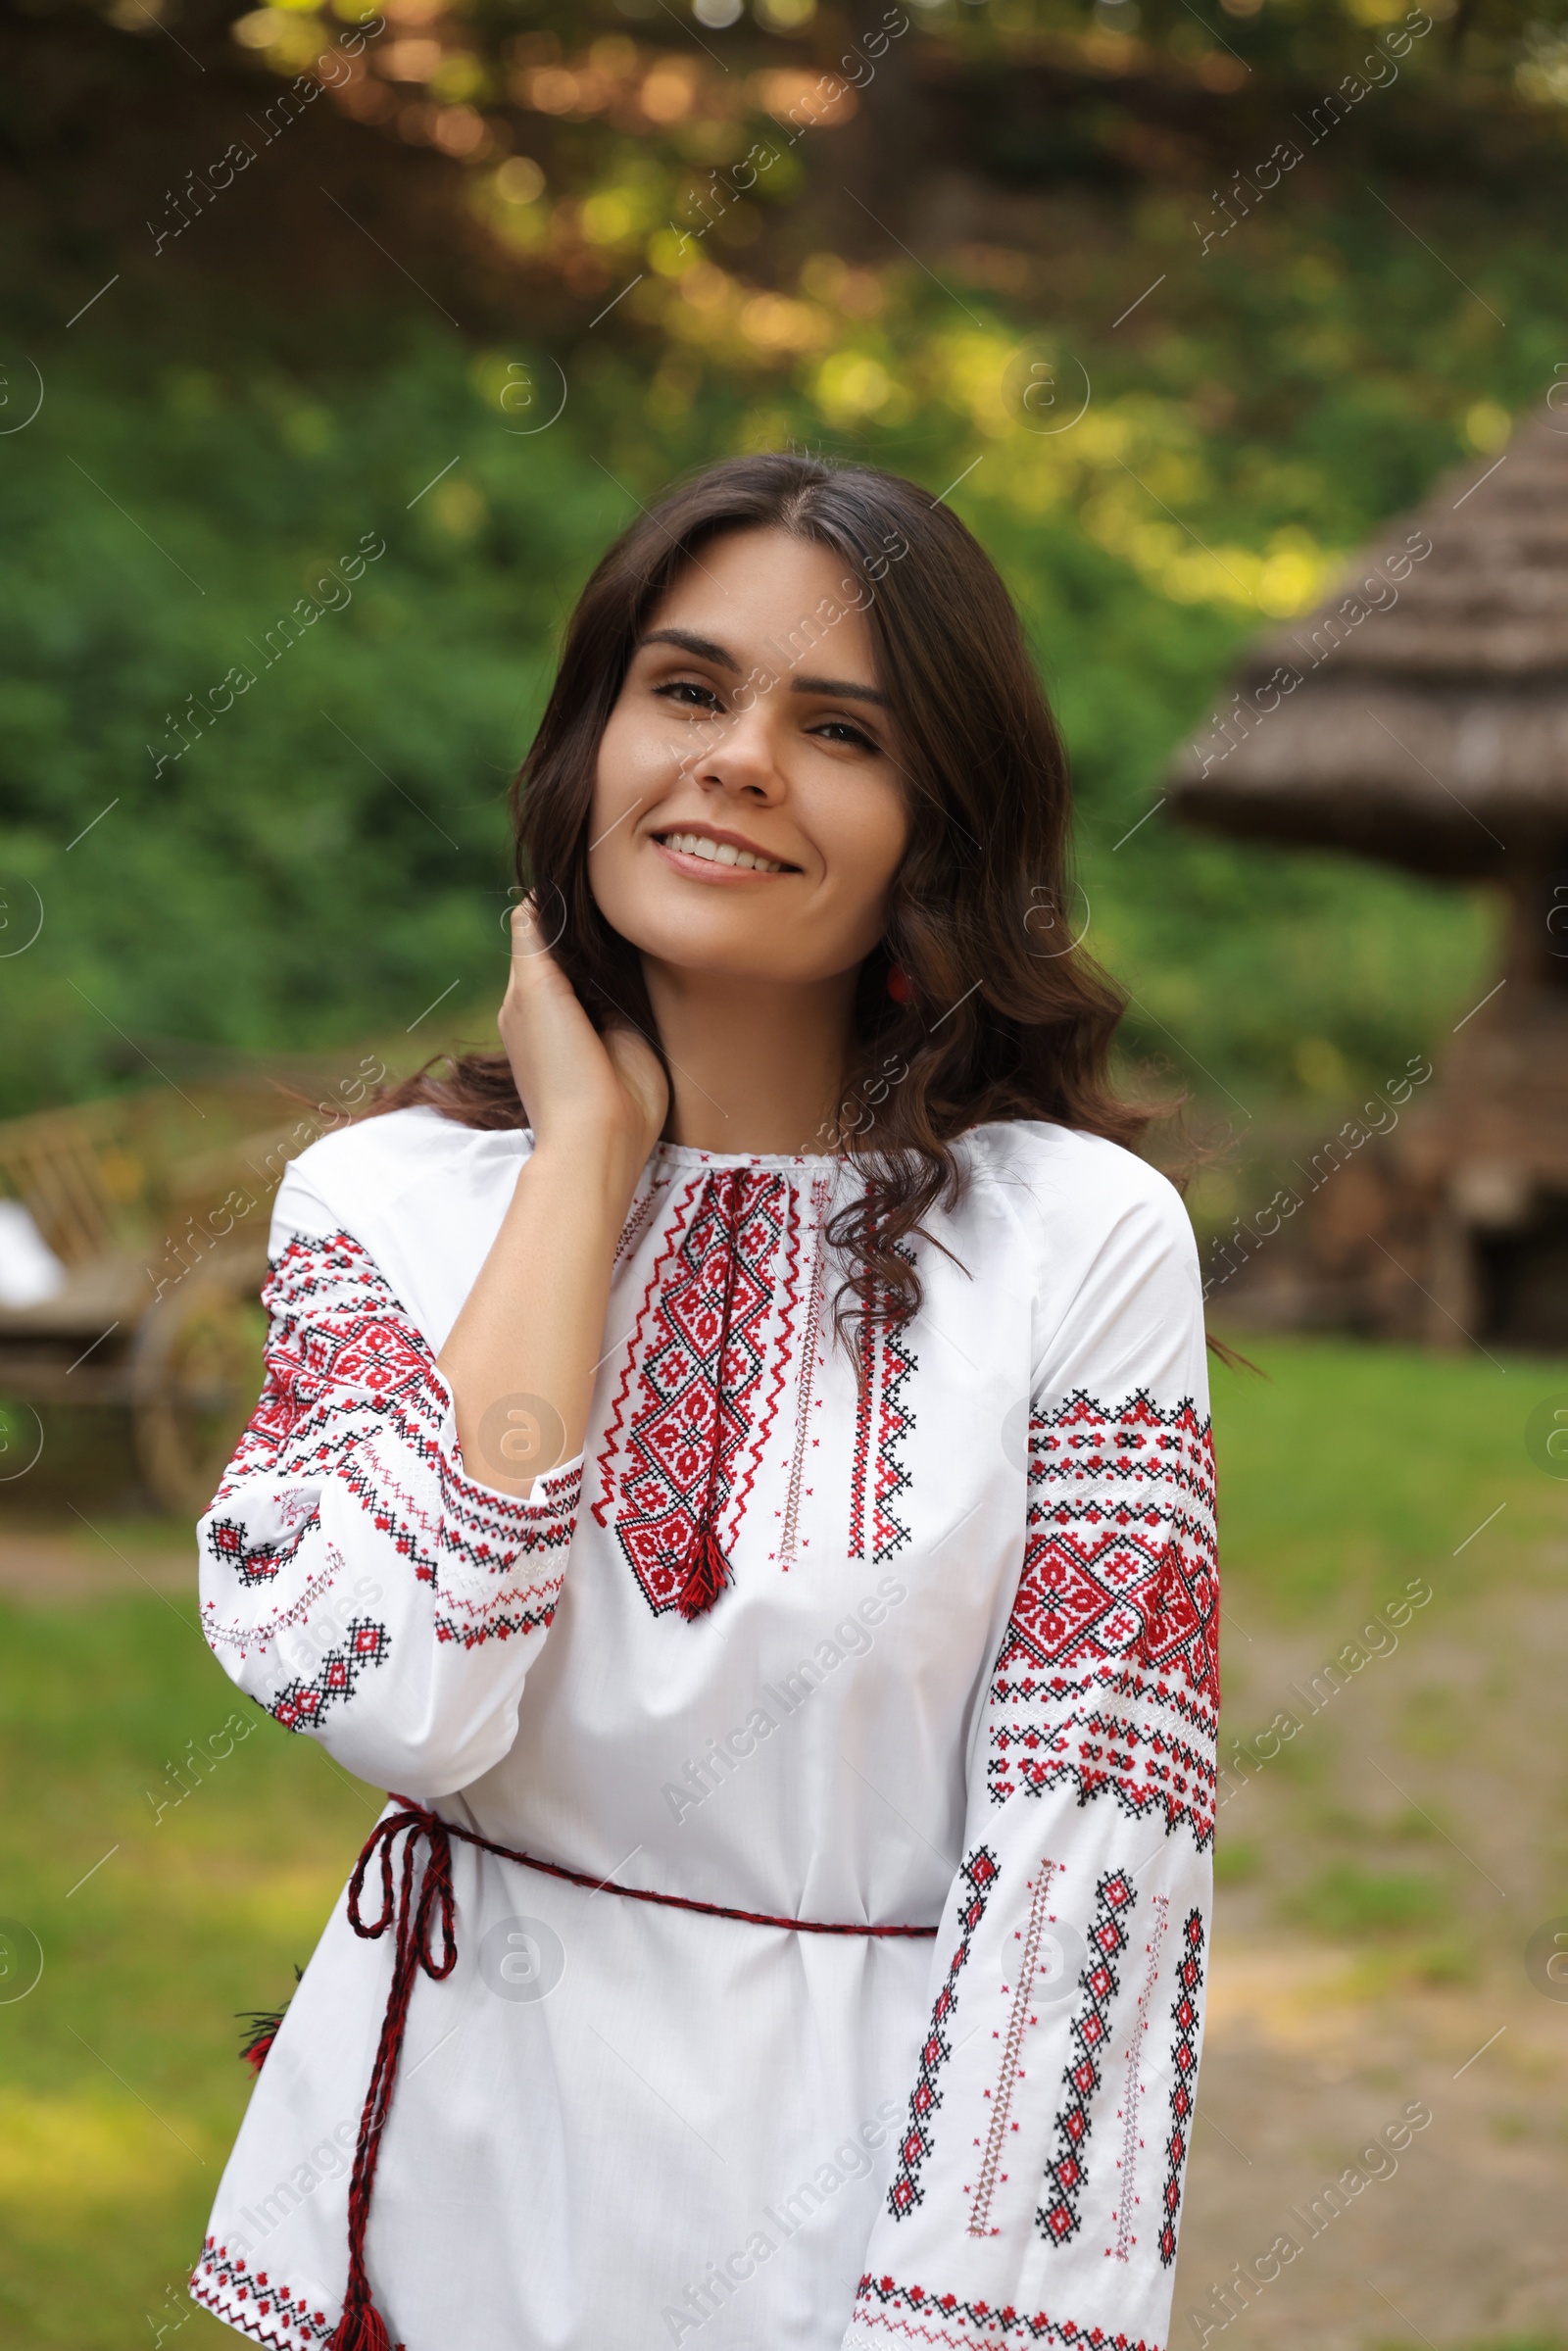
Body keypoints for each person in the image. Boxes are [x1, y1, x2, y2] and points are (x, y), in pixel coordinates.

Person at [190, 453, 1218, 2351]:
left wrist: (955, 2325)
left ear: (936, 827)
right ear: (590, 744)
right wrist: (581, 1160)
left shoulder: (1077, 1245)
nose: (738, 758)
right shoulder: (385, 1205)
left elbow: (1092, 1866)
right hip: (435, 2207)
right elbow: (400, 1691)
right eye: (685, 690)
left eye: (837, 729)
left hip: (841, 2240)